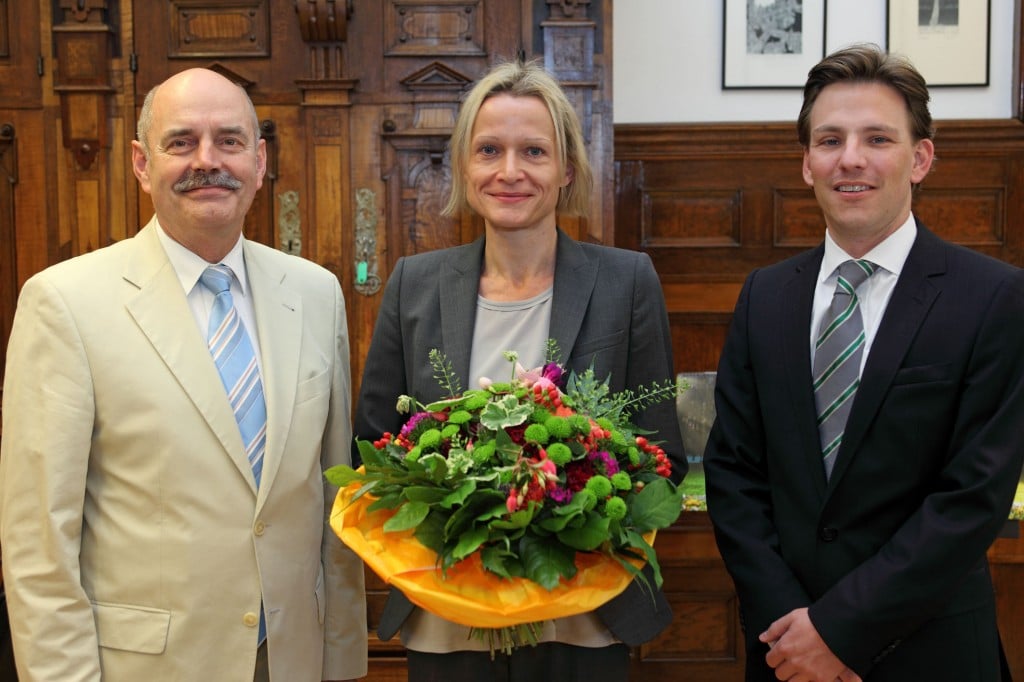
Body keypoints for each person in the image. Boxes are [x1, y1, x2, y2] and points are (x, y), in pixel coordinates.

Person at [0, 68, 367, 681]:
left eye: (229, 140)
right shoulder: (65, 302)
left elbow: (333, 501)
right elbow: (40, 541)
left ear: (259, 159)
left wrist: (340, 660)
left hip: (292, 658)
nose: (208, 160)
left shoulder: (316, 293)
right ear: (142, 164)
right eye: (181, 143)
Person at [353, 60, 686, 682]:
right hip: (448, 619)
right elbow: (374, 447)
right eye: (489, 150)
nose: (510, 171)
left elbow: (662, 452)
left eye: (533, 151)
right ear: (464, 167)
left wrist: (579, 504)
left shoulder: (627, 281)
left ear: (565, 170)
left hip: (585, 618)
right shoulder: (413, 285)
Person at [703, 43, 1024, 682]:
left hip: (930, 652)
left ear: (921, 157)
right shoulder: (765, 295)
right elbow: (733, 473)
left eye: (877, 138)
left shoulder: (994, 296)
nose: (851, 159)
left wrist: (840, 632)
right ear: (806, 163)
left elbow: (971, 498)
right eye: (830, 140)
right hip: (785, 651)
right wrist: (792, 626)